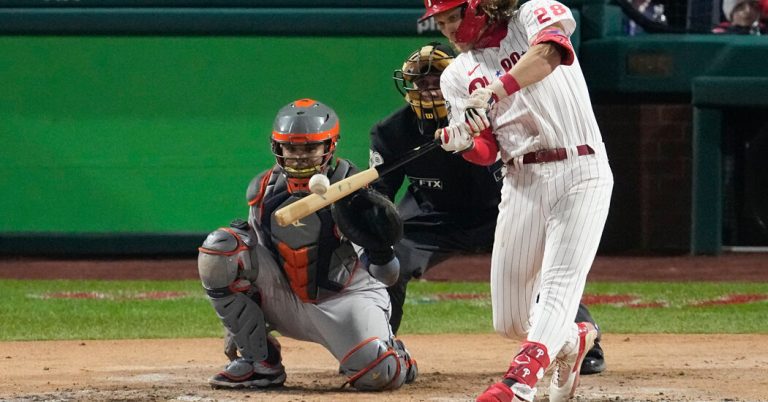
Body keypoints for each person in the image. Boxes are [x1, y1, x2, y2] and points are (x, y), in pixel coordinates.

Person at [370, 41, 606, 375]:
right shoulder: (391, 133)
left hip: (501, 209)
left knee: (541, 269)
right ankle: (378, 348)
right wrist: (372, 231)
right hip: (435, 216)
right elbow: (380, 195)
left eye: (437, 80)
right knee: (388, 262)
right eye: (420, 82)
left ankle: (583, 344)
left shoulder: (492, 116)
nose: (428, 89)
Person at [421, 1, 614, 401]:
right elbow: (487, 150)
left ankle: (518, 383)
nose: (449, 30)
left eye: (454, 17)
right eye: (440, 23)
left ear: (478, 7)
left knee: (559, 284)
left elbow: (549, 53)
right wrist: (463, 143)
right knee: (509, 320)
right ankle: (573, 338)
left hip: (581, 166)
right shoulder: (456, 76)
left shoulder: (532, 14)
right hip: (521, 180)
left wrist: (494, 90)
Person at [196, 98, 417, 392]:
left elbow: (388, 276)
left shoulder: (355, 191)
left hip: (346, 298)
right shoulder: (263, 190)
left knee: (379, 376)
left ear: (329, 146)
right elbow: (253, 261)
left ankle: (393, 353)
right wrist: (239, 321)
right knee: (220, 249)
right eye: (292, 148)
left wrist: (379, 249)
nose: (299, 157)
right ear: (278, 148)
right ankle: (261, 363)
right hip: (288, 296)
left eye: (309, 148)